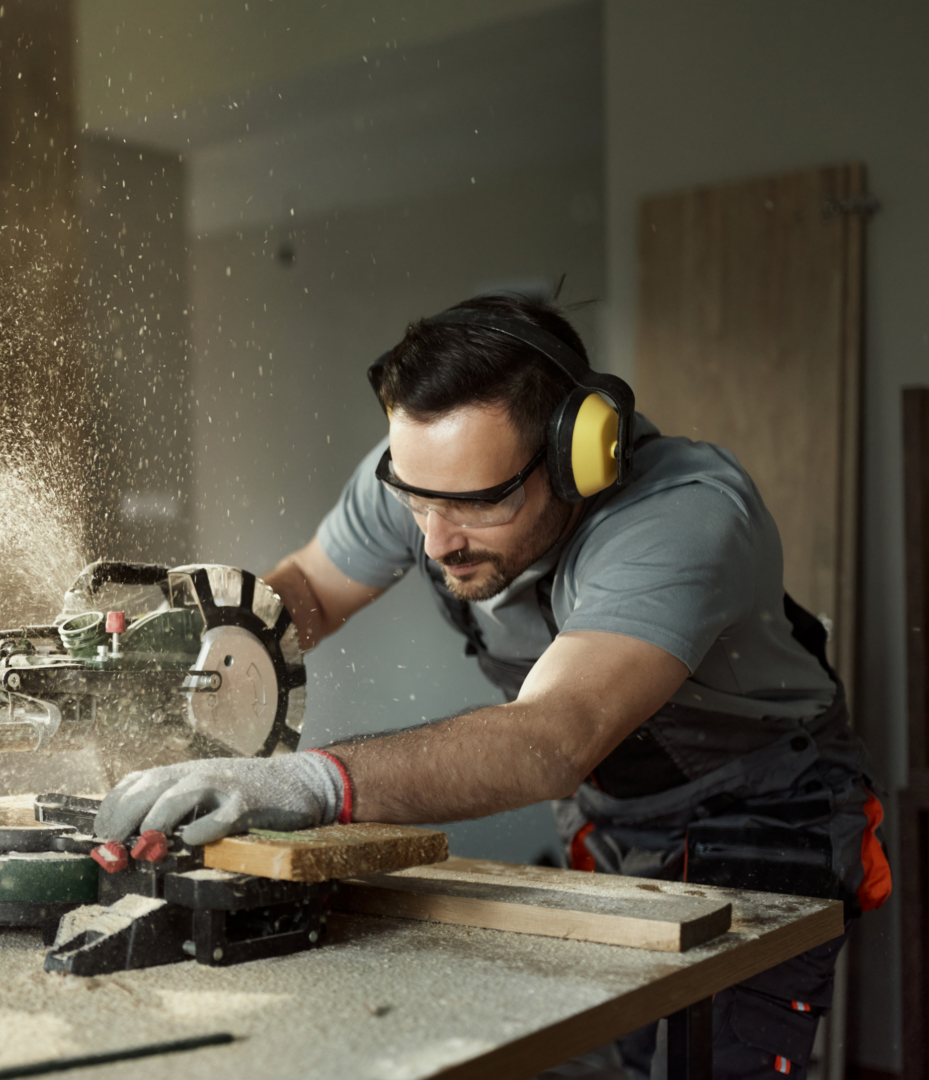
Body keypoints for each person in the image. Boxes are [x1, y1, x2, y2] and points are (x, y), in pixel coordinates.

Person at [95, 294, 890, 1079]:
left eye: (477, 504)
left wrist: (306, 780)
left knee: (712, 1058)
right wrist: (202, 657)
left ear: (579, 456)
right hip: (612, 809)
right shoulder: (422, 479)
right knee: (640, 1041)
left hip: (761, 810)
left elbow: (553, 737)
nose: (437, 540)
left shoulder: (683, 519)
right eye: (416, 499)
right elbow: (307, 590)